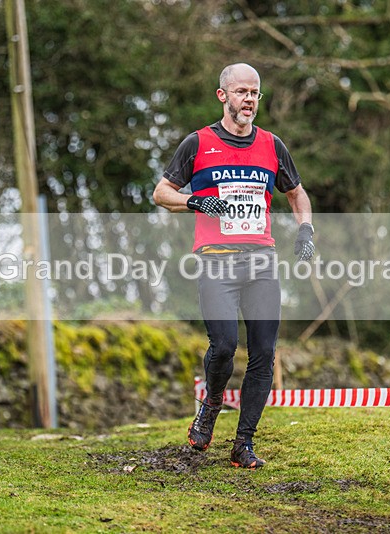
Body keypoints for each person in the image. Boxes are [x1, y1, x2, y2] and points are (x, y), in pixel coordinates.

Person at [152, 63, 314, 469]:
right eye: (241, 92)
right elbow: (161, 192)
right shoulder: (198, 143)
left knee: (264, 353)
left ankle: (244, 444)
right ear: (222, 95)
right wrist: (194, 200)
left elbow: (296, 193)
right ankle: (210, 407)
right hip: (217, 263)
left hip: (261, 261)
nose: (249, 100)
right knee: (223, 346)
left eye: (255, 93)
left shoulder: (272, 145)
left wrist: (306, 228)